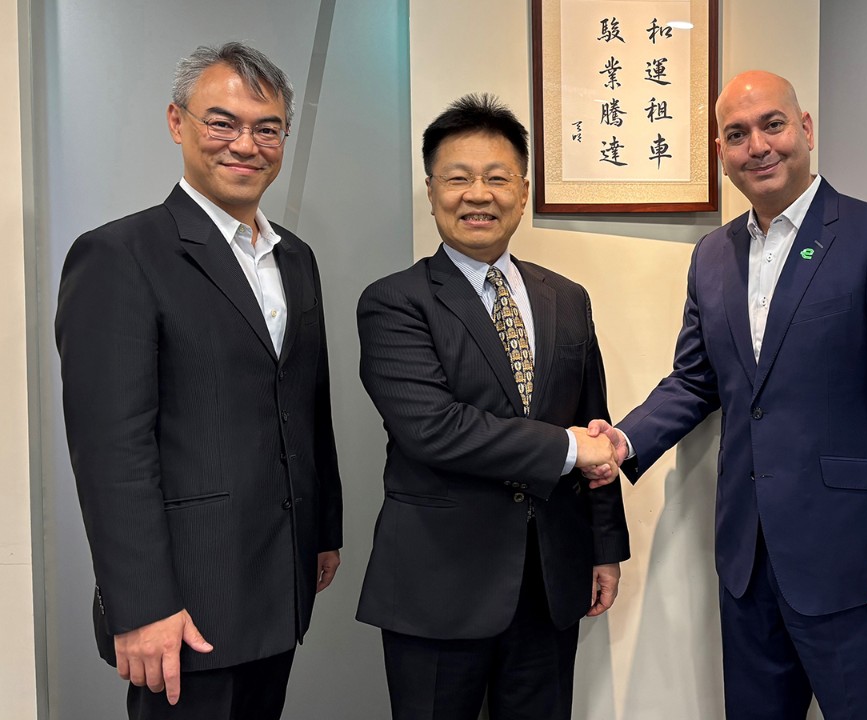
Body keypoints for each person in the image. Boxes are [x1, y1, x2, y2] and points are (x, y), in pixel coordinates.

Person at [586, 71, 867, 719]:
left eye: (772, 125)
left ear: (805, 129)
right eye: (736, 134)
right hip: (747, 560)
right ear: (720, 154)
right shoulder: (712, 257)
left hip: (859, 565)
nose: (758, 145)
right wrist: (625, 438)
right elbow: (697, 379)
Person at [55, 42, 343, 719]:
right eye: (222, 122)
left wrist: (323, 529)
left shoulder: (294, 259)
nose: (246, 144)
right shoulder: (120, 255)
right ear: (177, 122)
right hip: (185, 598)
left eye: (267, 128)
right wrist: (142, 604)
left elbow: (304, 404)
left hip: (281, 576)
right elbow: (111, 451)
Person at [354, 93, 629, 720]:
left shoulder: (567, 299)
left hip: (549, 578)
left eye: (497, 177)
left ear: (523, 191)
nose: (478, 194)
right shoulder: (396, 302)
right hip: (436, 584)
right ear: (431, 190)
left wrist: (603, 546)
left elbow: (595, 426)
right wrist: (567, 448)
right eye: (458, 178)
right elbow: (434, 429)